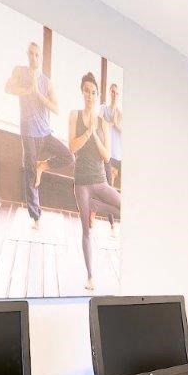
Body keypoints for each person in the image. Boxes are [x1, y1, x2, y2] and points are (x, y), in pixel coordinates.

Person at [5, 42, 74, 230]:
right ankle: (36, 218)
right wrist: (28, 91)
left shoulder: (46, 81)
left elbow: (56, 108)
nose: (33, 57)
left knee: (68, 156)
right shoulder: (20, 72)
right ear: (27, 54)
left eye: (37, 55)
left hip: (45, 132)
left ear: (40, 57)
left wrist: (38, 95)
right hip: (28, 133)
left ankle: (43, 166)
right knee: (30, 174)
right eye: (31, 54)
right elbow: (8, 88)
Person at [69, 72, 121, 291]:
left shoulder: (103, 123)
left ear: (97, 94)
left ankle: (98, 206)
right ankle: (90, 277)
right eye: (86, 91)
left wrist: (95, 134)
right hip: (81, 182)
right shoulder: (74, 115)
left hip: (100, 180)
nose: (89, 95)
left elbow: (107, 156)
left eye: (93, 92)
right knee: (86, 230)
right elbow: (72, 147)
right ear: (82, 92)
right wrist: (87, 132)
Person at [101, 83, 123, 188]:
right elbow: (98, 123)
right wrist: (110, 123)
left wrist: (116, 124)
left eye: (117, 93)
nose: (115, 95)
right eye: (113, 92)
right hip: (107, 151)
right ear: (109, 93)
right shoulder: (104, 109)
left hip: (118, 154)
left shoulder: (120, 114)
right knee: (109, 182)